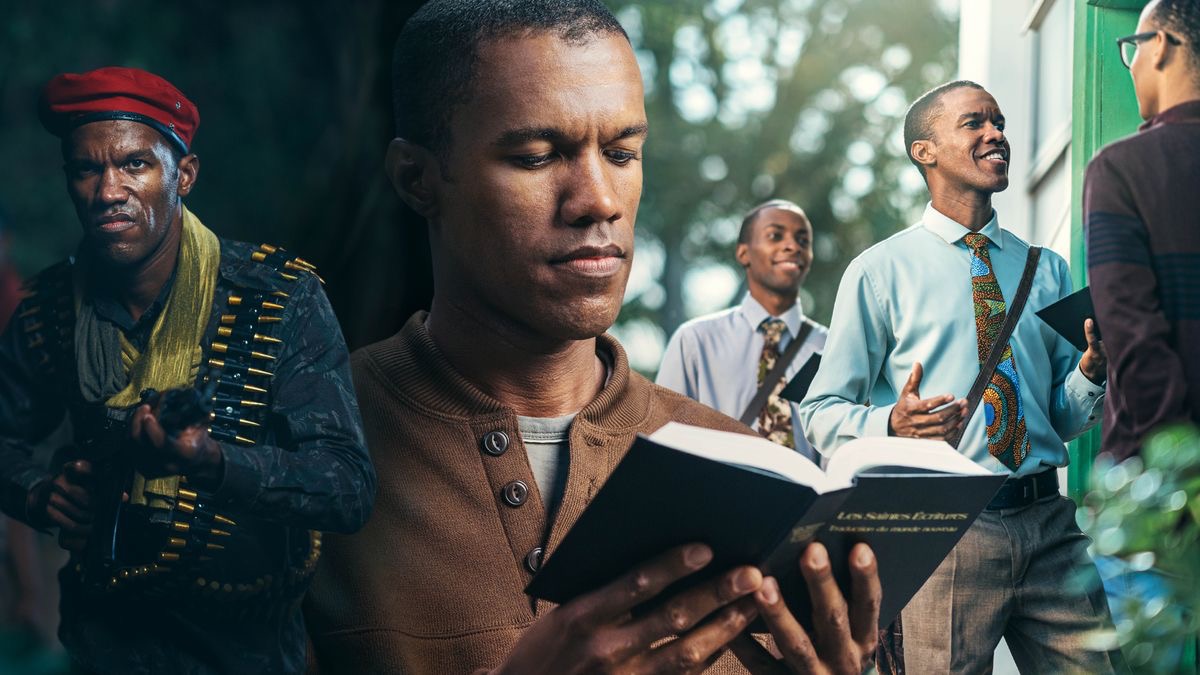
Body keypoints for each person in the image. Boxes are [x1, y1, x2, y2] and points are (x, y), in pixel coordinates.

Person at [303, 2, 880, 674]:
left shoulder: (750, 476)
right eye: (536, 155)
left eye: (622, 152)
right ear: (417, 179)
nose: (599, 199)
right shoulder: (295, 450)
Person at [0, 66, 376, 674]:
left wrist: (212, 462)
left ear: (185, 176)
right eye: (86, 169)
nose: (107, 191)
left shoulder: (277, 300)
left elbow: (347, 487)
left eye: (134, 165)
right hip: (103, 642)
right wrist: (41, 493)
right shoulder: (49, 311)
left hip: (246, 648)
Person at [798, 80, 1120, 673]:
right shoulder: (878, 272)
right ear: (925, 150)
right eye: (975, 123)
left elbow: (1061, 416)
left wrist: (1090, 375)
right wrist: (890, 422)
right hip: (942, 528)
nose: (996, 133)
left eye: (998, 122)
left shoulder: (1044, 269)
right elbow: (819, 411)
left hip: (1051, 525)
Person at [1085, 0, 1200, 461]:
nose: (1130, 67)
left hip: (1163, 484)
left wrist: (1181, 476)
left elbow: (1134, 338)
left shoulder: (1120, 169)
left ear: (1160, 47)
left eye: (1131, 48)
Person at [657, 200, 826, 458]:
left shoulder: (832, 348)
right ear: (743, 253)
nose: (792, 246)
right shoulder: (695, 342)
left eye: (803, 240)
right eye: (775, 236)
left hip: (812, 495)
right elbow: (664, 441)